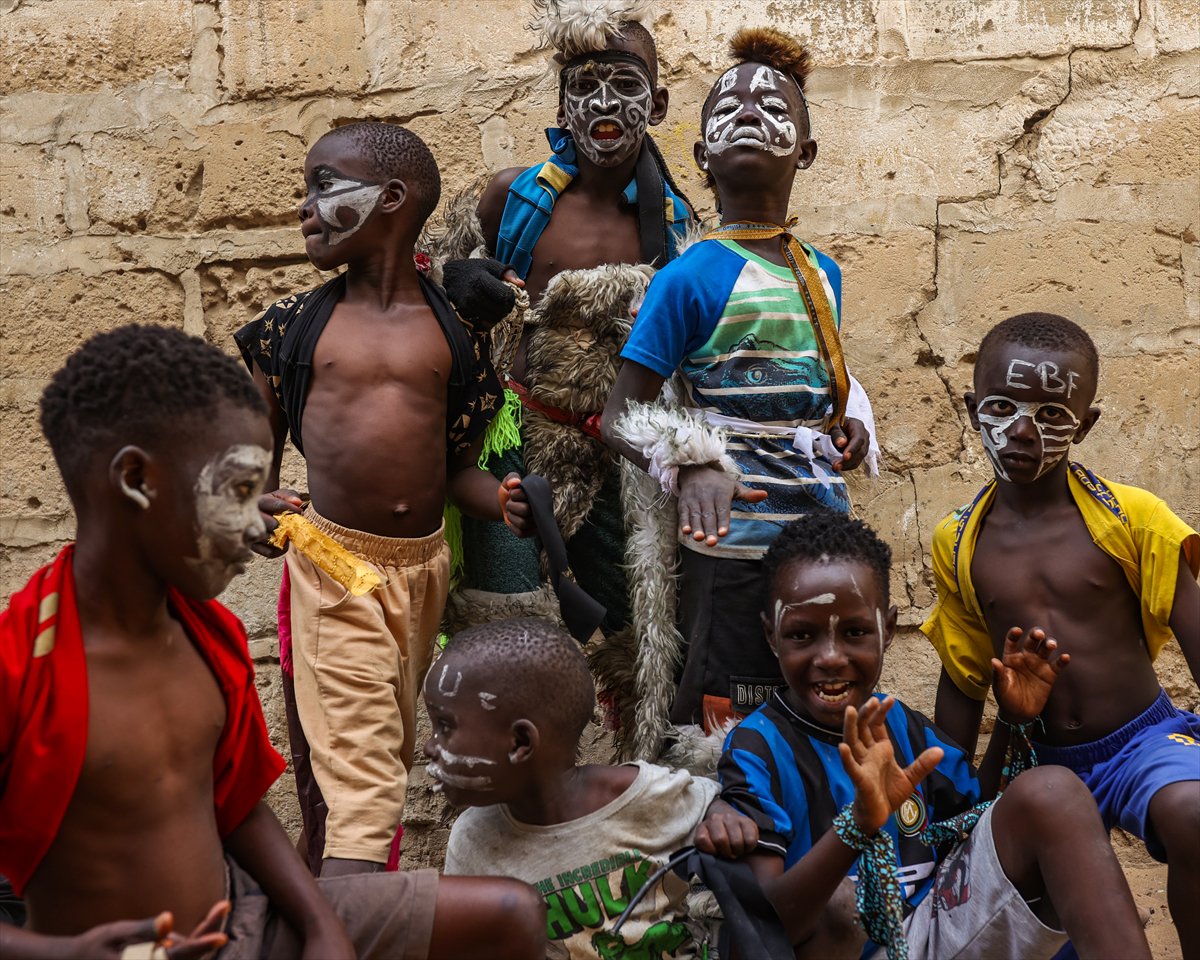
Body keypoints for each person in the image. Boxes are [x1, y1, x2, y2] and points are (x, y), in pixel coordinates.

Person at [0, 325, 545, 959]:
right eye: (237, 493)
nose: (260, 523)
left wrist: (319, 926)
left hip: (251, 924)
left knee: (511, 914)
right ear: (136, 480)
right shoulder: (21, 668)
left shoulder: (206, 638)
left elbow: (238, 809)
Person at [234, 121, 536, 878]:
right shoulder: (291, 334)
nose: (305, 208)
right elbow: (247, 468)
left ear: (393, 199)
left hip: (422, 574)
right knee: (366, 787)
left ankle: (325, 911)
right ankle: (357, 911)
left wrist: (497, 499)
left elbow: (449, 471)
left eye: (323, 187)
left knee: (376, 762)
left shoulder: (455, 337)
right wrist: (251, 509)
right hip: (334, 567)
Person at [601, 27, 877, 739]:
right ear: (701, 155)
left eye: (772, 104)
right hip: (728, 549)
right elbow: (619, 415)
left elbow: (820, 392)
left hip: (821, 544)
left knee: (822, 713)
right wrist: (690, 463)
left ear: (806, 151)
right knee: (726, 720)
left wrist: (845, 426)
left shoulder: (822, 272)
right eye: (726, 106)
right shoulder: (689, 275)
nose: (748, 111)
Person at [717, 510, 1152, 959]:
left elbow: (976, 819)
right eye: (802, 635)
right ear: (772, 637)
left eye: (855, 632)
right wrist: (859, 824)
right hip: (843, 949)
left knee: (1052, 792)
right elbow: (765, 929)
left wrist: (1012, 720)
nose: (830, 657)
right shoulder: (758, 748)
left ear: (887, 630)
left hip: (929, 935)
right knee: (839, 906)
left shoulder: (904, 728)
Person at [923, 312, 1200, 954]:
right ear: (971, 408)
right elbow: (963, 682)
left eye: (1051, 416)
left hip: (1142, 740)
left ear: (1087, 423)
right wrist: (946, 803)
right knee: (1058, 928)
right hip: (1036, 761)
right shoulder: (960, 542)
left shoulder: (1132, 519)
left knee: (1193, 812)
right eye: (1002, 406)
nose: (1022, 431)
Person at [451, 0, 694, 635]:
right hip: (515, 445)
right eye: (585, 88)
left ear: (659, 106)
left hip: (617, 454)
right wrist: (462, 277)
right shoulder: (513, 200)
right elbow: (438, 284)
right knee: (506, 615)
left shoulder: (673, 227)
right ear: (562, 109)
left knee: (624, 624)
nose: (605, 105)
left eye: (626, 86)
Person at [430, 617, 756, 959]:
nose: (429, 747)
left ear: (520, 742)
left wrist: (722, 815)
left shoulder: (642, 795)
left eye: (445, 727)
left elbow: (709, 801)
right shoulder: (472, 842)